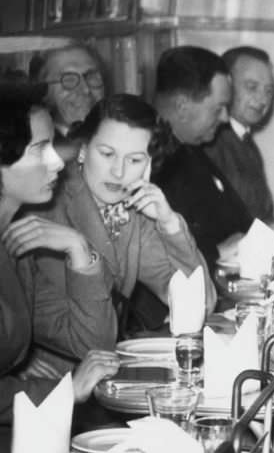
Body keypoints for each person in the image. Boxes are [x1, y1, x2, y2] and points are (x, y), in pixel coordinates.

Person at [26, 94, 215, 350]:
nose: (118, 171)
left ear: (149, 165)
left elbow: (198, 304)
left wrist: (169, 223)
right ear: (82, 150)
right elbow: (82, 335)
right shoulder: (48, 208)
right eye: (107, 154)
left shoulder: (131, 213)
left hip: (104, 365)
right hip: (54, 377)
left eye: (135, 160)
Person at [0, 84, 118, 453]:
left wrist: (78, 249)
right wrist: (64, 390)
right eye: (38, 149)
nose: (55, 162)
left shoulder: (16, 243)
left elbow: (92, 344)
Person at [152, 45, 254, 270]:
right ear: (182, 106)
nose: (226, 118)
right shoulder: (149, 162)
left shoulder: (191, 148)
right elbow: (157, 260)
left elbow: (238, 221)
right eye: (218, 109)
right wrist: (215, 252)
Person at [204, 46, 274, 224]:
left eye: (268, 91)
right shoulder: (210, 142)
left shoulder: (245, 140)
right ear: (225, 85)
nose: (262, 100)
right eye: (252, 87)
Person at [28, 42, 106, 163]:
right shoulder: (32, 153)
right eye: (69, 80)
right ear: (43, 91)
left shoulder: (126, 136)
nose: (85, 89)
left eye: (91, 76)